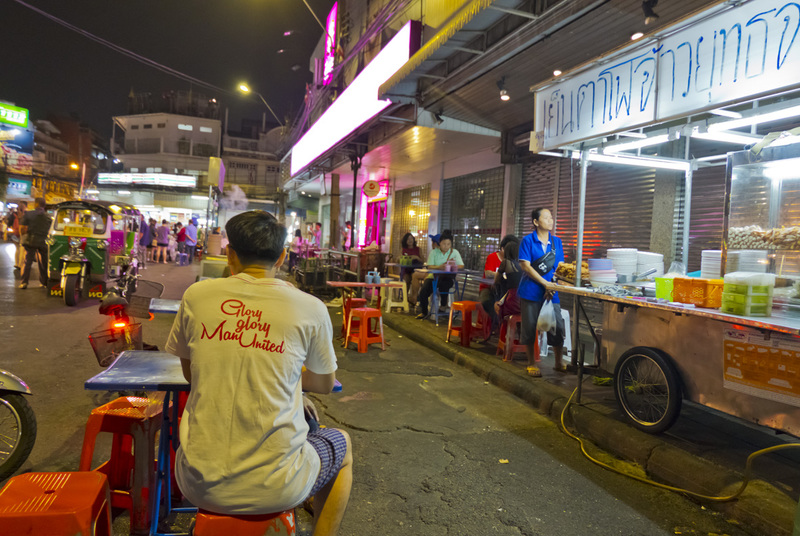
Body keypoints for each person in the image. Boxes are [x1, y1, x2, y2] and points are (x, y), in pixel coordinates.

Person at [165, 211, 352, 536]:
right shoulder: (310, 307)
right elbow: (323, 382)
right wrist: (288, 375)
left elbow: (191, 375)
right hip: (280, 486)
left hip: (196, 481)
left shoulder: (196, 296)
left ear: (229, 253)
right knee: (343, 444)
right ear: (282, 256)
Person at [518, 208, 566, 377]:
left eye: (551, 217)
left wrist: (552, 286)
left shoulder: (557, 242)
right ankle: (531, 363)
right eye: (546, 217)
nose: (550, 220)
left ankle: (559, 363)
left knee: (557, 326)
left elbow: (560, 268)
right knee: (530, 327)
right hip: (530, 291)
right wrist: (545, 283)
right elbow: (525, 266)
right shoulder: (528, 241)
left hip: (552, 292)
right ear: (536, 222)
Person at [416, 230, 464, 319]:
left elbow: (461, 265)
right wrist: (440, 267)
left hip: (448, 278)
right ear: (439, 243)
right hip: (433, 278)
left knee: (444, 285)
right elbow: (430, 266)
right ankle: (424, 311)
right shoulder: (434, 252)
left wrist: (453, 265)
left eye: (448, 244)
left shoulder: (455, 252)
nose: (446, 246)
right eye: (444, 244)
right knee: (424, 290)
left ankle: (443, 306)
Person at [479, 234, 519, 329]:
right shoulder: (492, 257)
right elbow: (488, 273)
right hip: (488, 289)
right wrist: (502, 275)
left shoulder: (515, 261)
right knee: (487, 302)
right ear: (502, 248)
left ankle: (505, 329)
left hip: (505, 291)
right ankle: (496, 327)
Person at [19, 198, 52, 289]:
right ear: (44, 205)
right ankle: (44, 282)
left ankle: (24, 282)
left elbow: (22, 230)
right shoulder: (48, 217)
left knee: (27, 262)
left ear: (35, 204)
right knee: (43, 262)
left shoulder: (28, 214)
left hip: (30, 241)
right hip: (43, 242)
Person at [492, 239, 523, 326]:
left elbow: (496, 279)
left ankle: (501, 330)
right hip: (523, 301)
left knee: (497, 304)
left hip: (513, 301)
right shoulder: (521, 264)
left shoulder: (505, 262)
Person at [409, 233, 438, 305]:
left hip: (434, 274)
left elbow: (429, 265)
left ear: (434, 243)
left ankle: (417, 298)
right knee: (415, 275)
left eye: (432, 242)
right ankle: (415, 298)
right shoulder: (435, 252)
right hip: (432, 272)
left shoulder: (435, 252)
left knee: (417, 275)